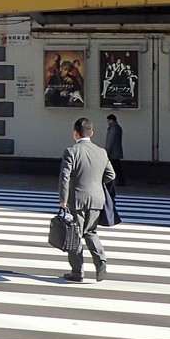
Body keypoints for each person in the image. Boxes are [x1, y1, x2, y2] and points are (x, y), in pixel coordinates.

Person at [58, 117, 114, 283]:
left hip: (77, 198)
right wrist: (97, 183)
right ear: (92, 133)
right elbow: (111, 175)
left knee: (74, 235)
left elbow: (65, 177)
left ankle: (77, 272)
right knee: (91, 232)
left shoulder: (71, 151)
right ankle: (101, 262)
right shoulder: (101, 152)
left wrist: (63, 199)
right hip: (97, 199)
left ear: (75, 133)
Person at [104, 113, 124, 191]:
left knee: (115, 167)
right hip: (117, 150)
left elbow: (110, 140)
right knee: (117, 166)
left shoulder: (112, 128)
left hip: (113, 152)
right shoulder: (118, 127)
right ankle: (120, 180)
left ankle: (117, 180)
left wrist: (107, 151)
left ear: (111, 120)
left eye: (108, 121)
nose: (107, 122)